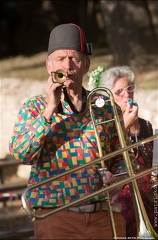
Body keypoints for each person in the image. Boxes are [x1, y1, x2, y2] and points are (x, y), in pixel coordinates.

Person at [9, 24, 137, 239]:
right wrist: (49, 109)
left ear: (86, 66)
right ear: (48, 65)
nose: (67, 66)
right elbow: (21, 154)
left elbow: (124, 156)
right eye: (60, 59)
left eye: (75, 59)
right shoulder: (34, 107)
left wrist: (120, 178)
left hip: (104, 217)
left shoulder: (105, 106)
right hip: (56, 218)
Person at [88, 65, 158, 237]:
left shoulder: (146, 125)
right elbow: (104, 158)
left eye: (130, 88)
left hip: (148, 201)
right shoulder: (107, 126)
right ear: (108, 97)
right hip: (122, 203)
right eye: (119, 91)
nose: (127, 94)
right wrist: (123, 125)